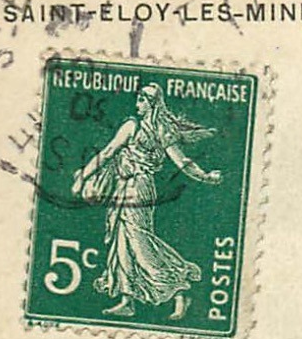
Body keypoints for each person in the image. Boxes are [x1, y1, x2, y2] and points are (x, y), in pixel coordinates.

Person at [69, 83, 223, 321]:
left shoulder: (161, 130)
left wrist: (205, 176)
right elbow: (108, 151)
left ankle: (179, 288)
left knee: (140, 243)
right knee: (122, 243)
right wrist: (84, 176)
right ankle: (127, 300)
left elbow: (182, 161)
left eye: (142, 100)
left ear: (153, 104)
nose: (137, 104)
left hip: (140, 189)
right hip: (122, 186)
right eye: (138, 99)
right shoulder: (131, 125)